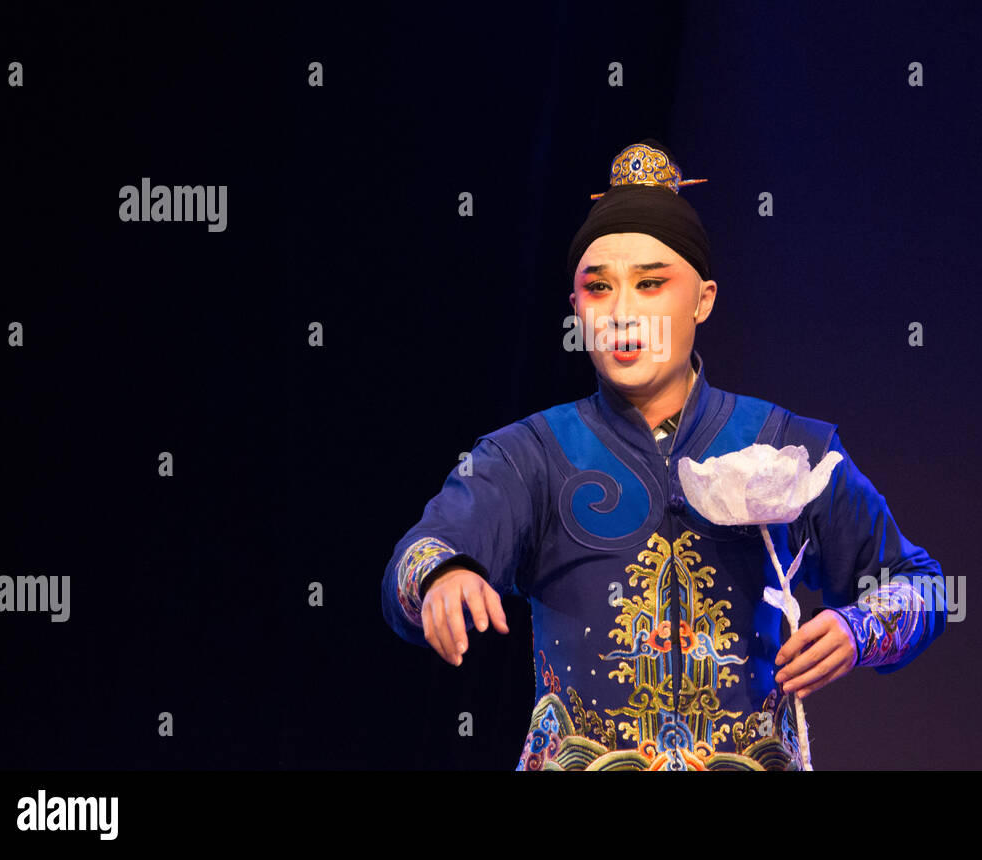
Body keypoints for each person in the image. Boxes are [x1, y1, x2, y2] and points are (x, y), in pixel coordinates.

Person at [381, 139, 947, 770]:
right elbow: (419, 552)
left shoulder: (790, 444)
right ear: (576, 310)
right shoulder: (529, 456)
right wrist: (441, 576)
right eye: (599, 289)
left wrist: (857, 631)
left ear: (702, 299)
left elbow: (921, 587)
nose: (624, 313)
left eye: (651, 284)